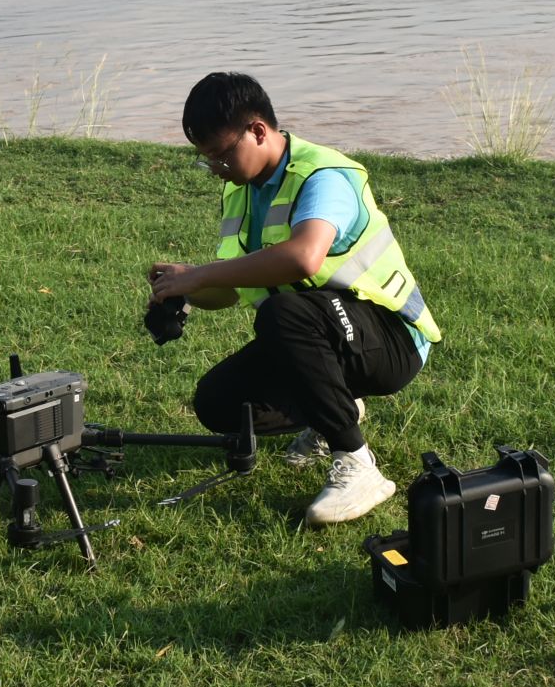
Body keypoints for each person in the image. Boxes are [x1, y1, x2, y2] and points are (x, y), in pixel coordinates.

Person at [147, 72, 440, 525]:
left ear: (258, 131)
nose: (217, 169)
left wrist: (200, 274)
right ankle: (336, 411)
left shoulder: (324, 175)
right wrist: (184, 287)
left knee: (283, 313)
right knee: (217, 402)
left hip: (391, 339)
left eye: (221, 155)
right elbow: (232, 289)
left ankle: (357, 463)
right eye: (206, 160)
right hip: (324, 332)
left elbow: (304, 258)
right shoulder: (242, 191)